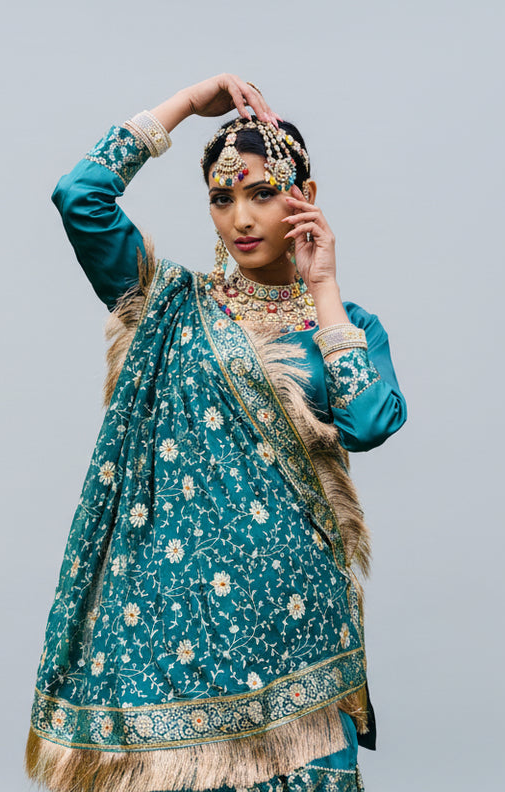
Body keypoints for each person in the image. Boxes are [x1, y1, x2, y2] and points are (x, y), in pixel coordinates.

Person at [25, 74, 407, 792]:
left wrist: (323, 289)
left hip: (299, 638)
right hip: (179, 636)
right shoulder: (168, 303)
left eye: (261, 192)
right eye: (221, 197)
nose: (241, 217)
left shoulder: (344, 328)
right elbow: (81, 196)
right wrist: (181, 105)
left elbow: (370, 422)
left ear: (305, 200)